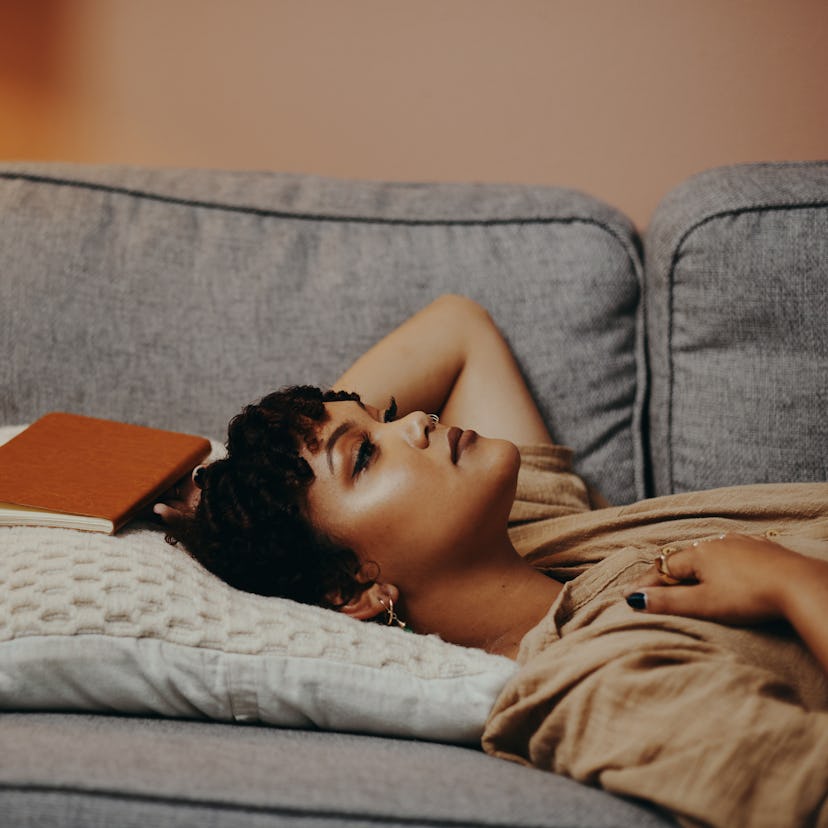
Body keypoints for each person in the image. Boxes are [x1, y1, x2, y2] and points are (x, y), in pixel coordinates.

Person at [157, 295, 828, 826]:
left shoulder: (543, 533)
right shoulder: (585, 679)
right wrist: (791, 582)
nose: (416, 420)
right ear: (352, 587)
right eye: (365, 456)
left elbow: (457, 328)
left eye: (383, 416)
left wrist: (237, 492)